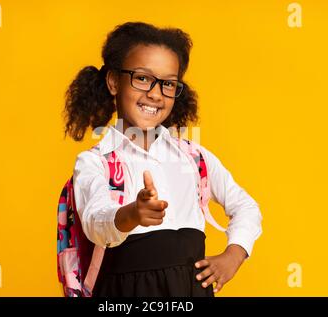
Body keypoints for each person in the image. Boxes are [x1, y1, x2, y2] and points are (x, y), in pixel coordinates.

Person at [62, 21, 262, 297]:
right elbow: (96, 223)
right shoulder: (96, 162)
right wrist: (131, 214)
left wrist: (235, 252)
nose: (155, 93)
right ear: (113, 82)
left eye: (168, 83)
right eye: (142, 78)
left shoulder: (194, 158)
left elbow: (246, 206)